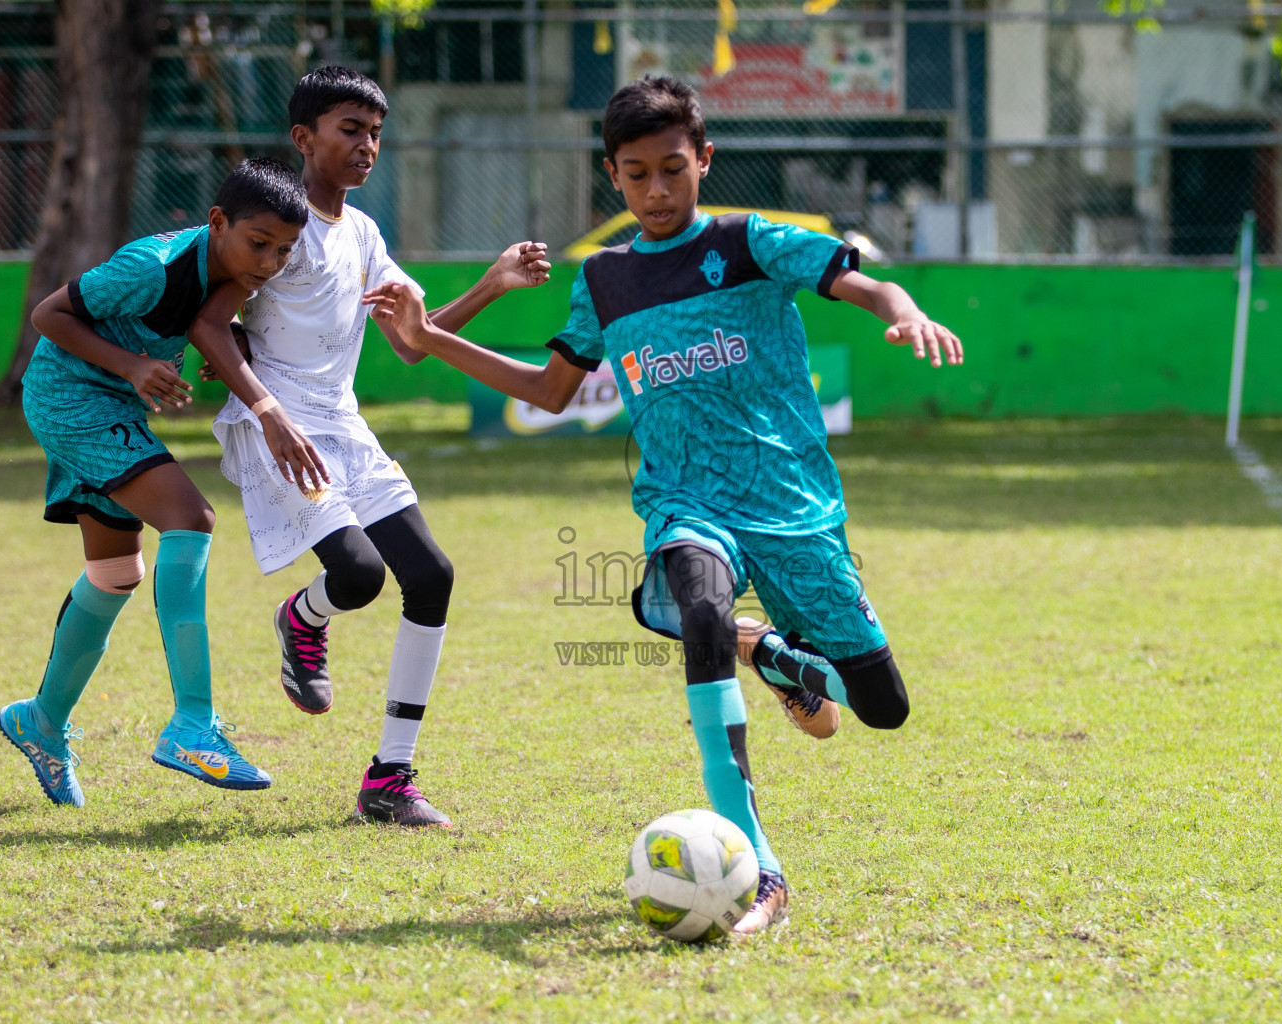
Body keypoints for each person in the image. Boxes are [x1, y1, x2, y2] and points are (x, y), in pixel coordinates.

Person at [362, 75, 962, 932]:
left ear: (704, 161)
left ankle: (783, 658)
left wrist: (904, 312)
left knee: (879, 711)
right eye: (636, 174)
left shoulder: (750, 242)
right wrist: (432, 339)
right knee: (698, 607)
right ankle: (763, 871)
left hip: (795, 508)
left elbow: (860, 283)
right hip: (687, 503)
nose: (655, 190)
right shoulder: (604, 279)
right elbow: (552, 388)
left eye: (672, 170)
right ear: (614, 174)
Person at [206, 67, 550, 828]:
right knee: (358, 574)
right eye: (349, 130)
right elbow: (212, 319)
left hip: (345, 424)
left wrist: (493, 282)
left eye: (375, 133)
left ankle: (389, 778)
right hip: (283, 426)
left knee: (430, 574)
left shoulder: (363, 233)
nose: (367, 146)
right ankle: (305, 616)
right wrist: (260, 404)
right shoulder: (278, 230)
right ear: (304, 138)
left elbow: (414, 345)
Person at [0, 157, 327, 807]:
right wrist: (133, 366)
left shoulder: (236, 270)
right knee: (192, 517)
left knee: (117, 575)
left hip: (108, 405)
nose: (268, 262)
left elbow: (209, 320)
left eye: (284, 251)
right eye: (258, 244)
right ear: (217, 222)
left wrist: (224, 340)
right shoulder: (149, 267)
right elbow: (48, 316)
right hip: (72, 398)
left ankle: (38, 720)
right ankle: (193, 727)